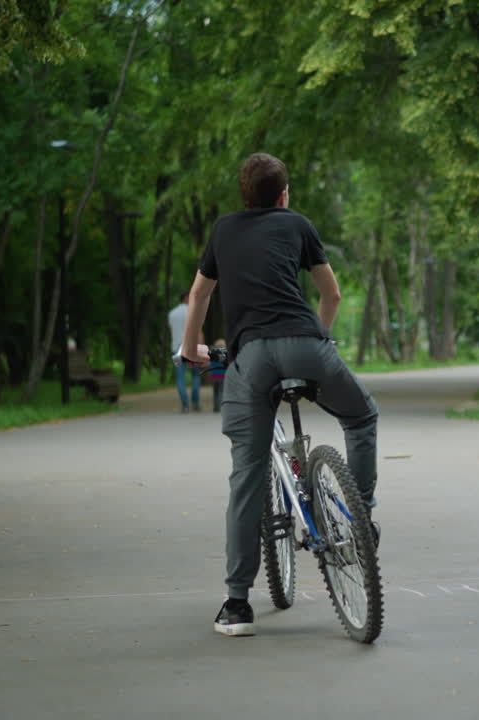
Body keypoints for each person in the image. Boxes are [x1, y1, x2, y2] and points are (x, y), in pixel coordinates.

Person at [178, 152, 379, 637]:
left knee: (247, 475)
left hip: (251, 358)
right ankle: (361, 519)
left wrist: (188, 351)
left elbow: (199, 295)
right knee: (361, 417)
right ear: (284, 195)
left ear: (244, 197)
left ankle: (237, 605)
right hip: (308, 345)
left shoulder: (223, 230)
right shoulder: (297, 224)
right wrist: (320, 342)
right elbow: (331, 295)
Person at [168, 293, 202, 412]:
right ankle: (195, 403)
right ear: (187, 298)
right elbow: (198, 332)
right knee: (196, 376)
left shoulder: (172, 313)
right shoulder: (194, 312)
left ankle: (185, 405)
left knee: (180, 378)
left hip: (176, 350)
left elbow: (172, 332)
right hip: (192, 348)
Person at [208, 339, 228, 413]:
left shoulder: (212, 354)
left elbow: (209, 365)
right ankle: (221, 406)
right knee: (221, 391)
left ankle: (215, 406)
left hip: (214, 377)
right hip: (222, 376)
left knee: (215, 392)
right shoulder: (225, 355)